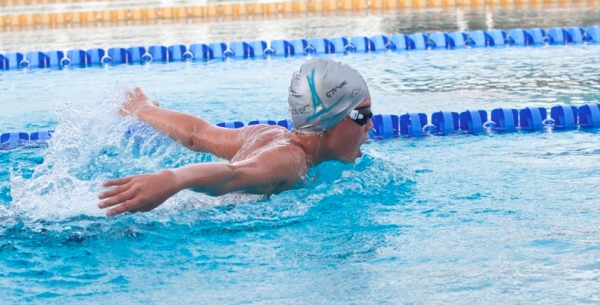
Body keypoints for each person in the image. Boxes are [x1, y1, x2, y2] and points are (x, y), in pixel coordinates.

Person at [97, 58, 374, 216]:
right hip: (185, 219)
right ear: (328, 120)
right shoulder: (290, 162)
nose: (370, 126)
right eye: (362, 115)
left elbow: (198, 135)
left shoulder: (268, 134)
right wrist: (173, 179)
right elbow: (232, 175)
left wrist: (142, 109)